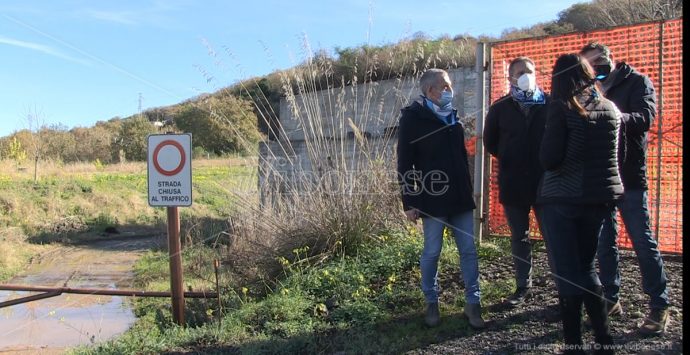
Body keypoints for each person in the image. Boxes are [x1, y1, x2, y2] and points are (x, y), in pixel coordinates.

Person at [581, 42, 670, 335]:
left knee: (642, 240)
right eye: (589, 65)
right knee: (605, 241)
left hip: (630, 176)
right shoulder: (589, 89)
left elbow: (645, 118)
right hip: (601, 177)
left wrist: (612, 115)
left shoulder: (637, 82)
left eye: (599, 62)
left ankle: (660, 305)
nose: (596, 69)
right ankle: (611, 298)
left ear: (610, 58)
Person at [538, 53, 622, 354]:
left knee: (566, 272)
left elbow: (549, 159)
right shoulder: (611, 108)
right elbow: (613, 158)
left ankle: (573, 344)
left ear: (559, 78)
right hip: (598, 199)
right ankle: (604, 340)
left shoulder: (563, 108)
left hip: (562, 197)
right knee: (587, 268)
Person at [396, 68, 485, 329]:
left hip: (459, 197)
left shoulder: (453, 118)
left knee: (468, 251)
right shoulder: (412, 119)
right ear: (429, 90)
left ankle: (473, 303)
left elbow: (461, 157)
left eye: (450, 86)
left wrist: (468, 190)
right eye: (445, 86)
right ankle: (431, 302)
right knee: (432, 251)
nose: (450, 91)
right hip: (432, 198)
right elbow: (405, 164)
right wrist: (409, 201)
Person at [483, 57, 549, 307]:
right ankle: (523, 286)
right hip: (513, 183)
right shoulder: (500, 108)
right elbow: (490, 142)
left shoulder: (550, 103)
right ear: (510, 77)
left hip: (546, 183)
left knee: (552, 236)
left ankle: (565, 291)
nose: (526, 75)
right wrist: (512, 157)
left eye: (530, 71)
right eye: (521, 72)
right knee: (519, 237)